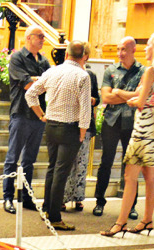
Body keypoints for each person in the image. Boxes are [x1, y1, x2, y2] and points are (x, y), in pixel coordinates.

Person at [100, 32, 154, 238]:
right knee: (150, 177)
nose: (145, 48)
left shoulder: (150, 71)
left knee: (129, 177)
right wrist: (132, 98)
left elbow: (139, 102)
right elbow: (146, 98)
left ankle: (120, 223)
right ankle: (147, 220)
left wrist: (122, 95)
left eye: (148, 44)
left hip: (143, 128)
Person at [26, 40, 92, 230]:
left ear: (66, 54)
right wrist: (82, 131)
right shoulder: (83, 76)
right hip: (70, 128)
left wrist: (41, 115)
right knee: (61, 172)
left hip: (51, 125)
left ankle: (47, 209)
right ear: (84, 56)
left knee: (52, 168)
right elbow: (85, 108)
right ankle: (54, 217)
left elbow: (30, 94)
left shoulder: (52, 71)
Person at [92, 36, 144, 218]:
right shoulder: (111, 71)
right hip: (111, 121)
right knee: (106, 161)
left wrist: (119, 93)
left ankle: (131, 205)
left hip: (133, 122)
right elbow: (105, 98)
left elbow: (141, 98)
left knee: (131, 165)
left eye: (123, 49)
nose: (120, 53)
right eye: (118, 49)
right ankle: (99, 201)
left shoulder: (143, 72)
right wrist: (130, 96)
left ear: (133, 51)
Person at [1, 27, 50, 214]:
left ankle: (26, 197)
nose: (43, 40)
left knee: (30, 160)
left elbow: (49, 82)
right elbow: (28, 85)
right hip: (21, 113)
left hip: (38, 116)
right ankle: (7, 197)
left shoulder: (44, 60)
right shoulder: (17, 58)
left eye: (43, 37)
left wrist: (37, 80)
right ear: (29, 38)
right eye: (40, 37)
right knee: (12, 159)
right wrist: (40, 81)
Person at [62, 42, 99, 212]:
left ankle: (78, 198)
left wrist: (93, 100)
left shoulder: (90, 75)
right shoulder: (67, 72)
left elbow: (97, 97)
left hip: (86, 123)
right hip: (70, 122)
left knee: (82, 163)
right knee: (66, 163)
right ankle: (62, 197)